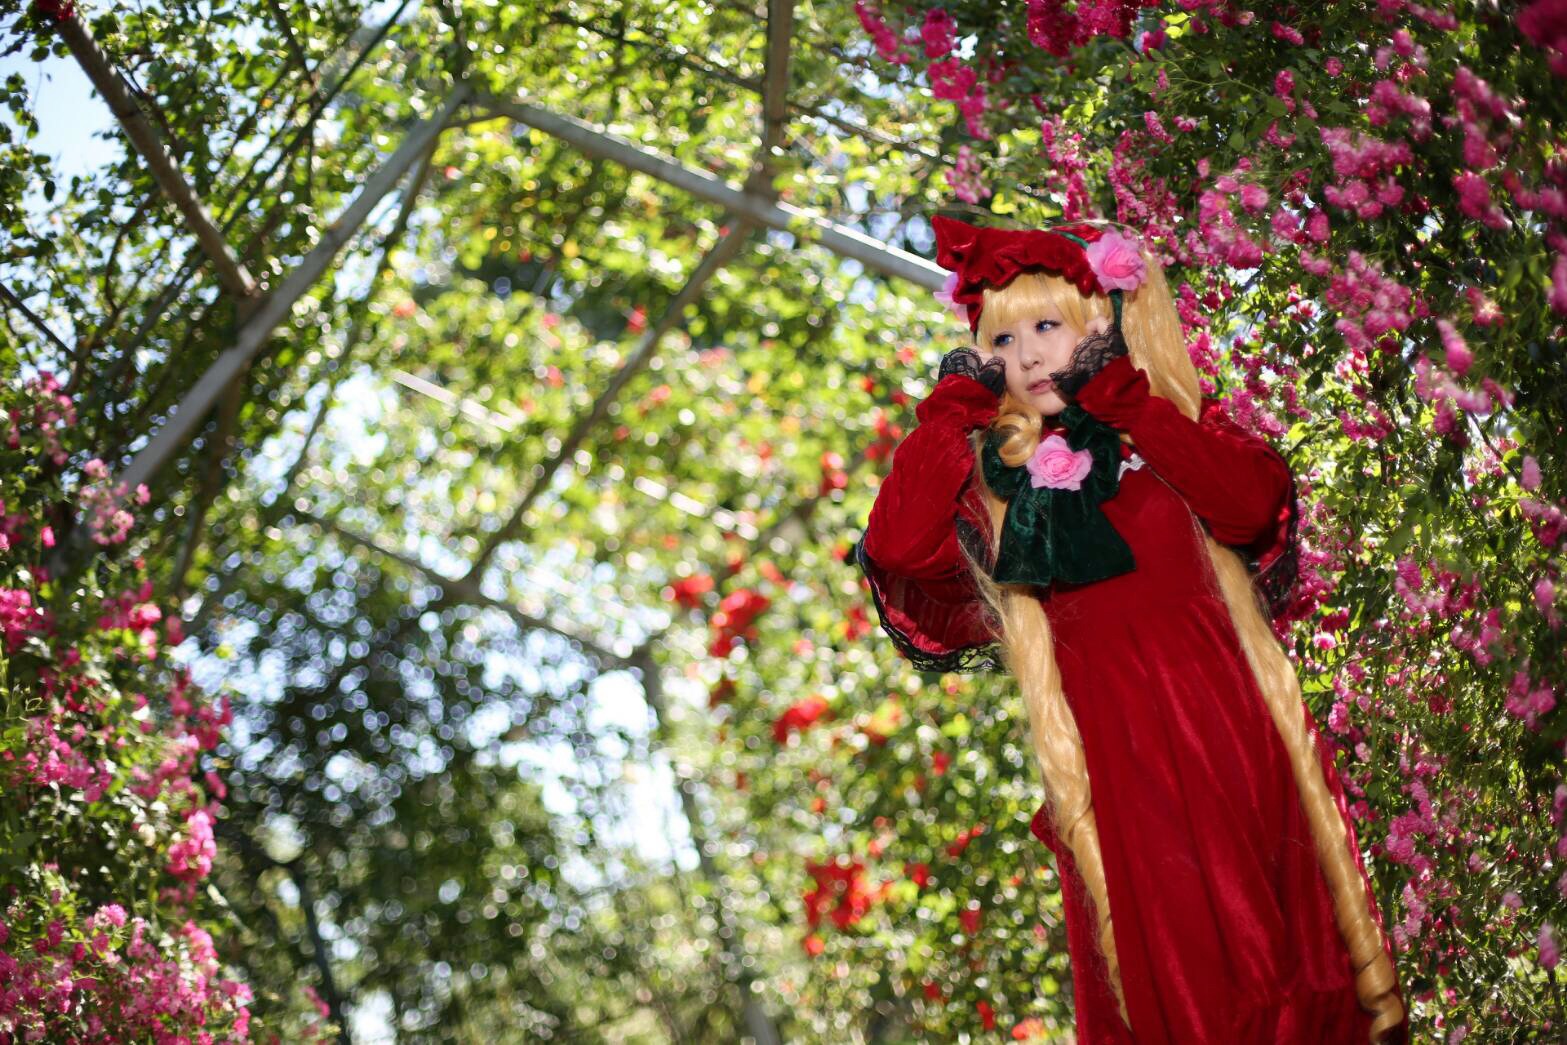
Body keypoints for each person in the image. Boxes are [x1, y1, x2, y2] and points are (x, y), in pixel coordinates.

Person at [854, 215, 1410, 1043]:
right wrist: (949, 414)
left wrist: (1127, 405)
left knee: (1293, 976)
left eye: (1047, 325)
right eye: (1002, 339)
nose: (1029, 354)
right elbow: (896, 545)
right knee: (1188, 1001)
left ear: (1097, 326)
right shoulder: (1000, 492)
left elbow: (1251, 504)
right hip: (1121, 785)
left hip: (1235, 747)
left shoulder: (1170, 422)